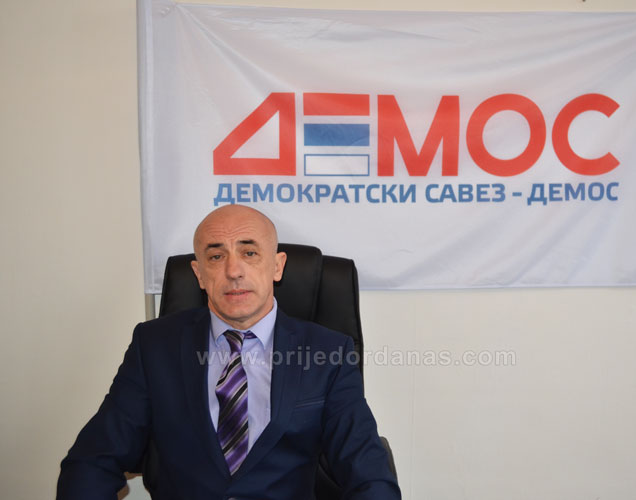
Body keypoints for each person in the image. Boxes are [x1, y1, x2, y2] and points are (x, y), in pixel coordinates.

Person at [57, 204, 401, 499]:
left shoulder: (328, 352)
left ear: (277, 266)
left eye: (249, 253)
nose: (233, 271)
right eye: (216, 256)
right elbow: (93, 460)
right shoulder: (154, 346)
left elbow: (368, 470)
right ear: (199, 274)